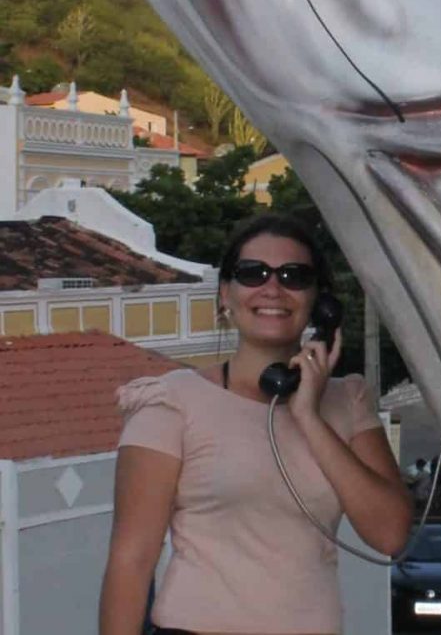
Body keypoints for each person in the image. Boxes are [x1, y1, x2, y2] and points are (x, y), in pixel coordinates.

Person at [99, 212, 413, 635]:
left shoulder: (347, 400)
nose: (273, 288)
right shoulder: (172, 402)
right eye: (253, 273)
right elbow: (131, 560)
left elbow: (390, 535)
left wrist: (308, 416)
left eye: (293, 275)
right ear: (225, 295)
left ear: (321, 302)